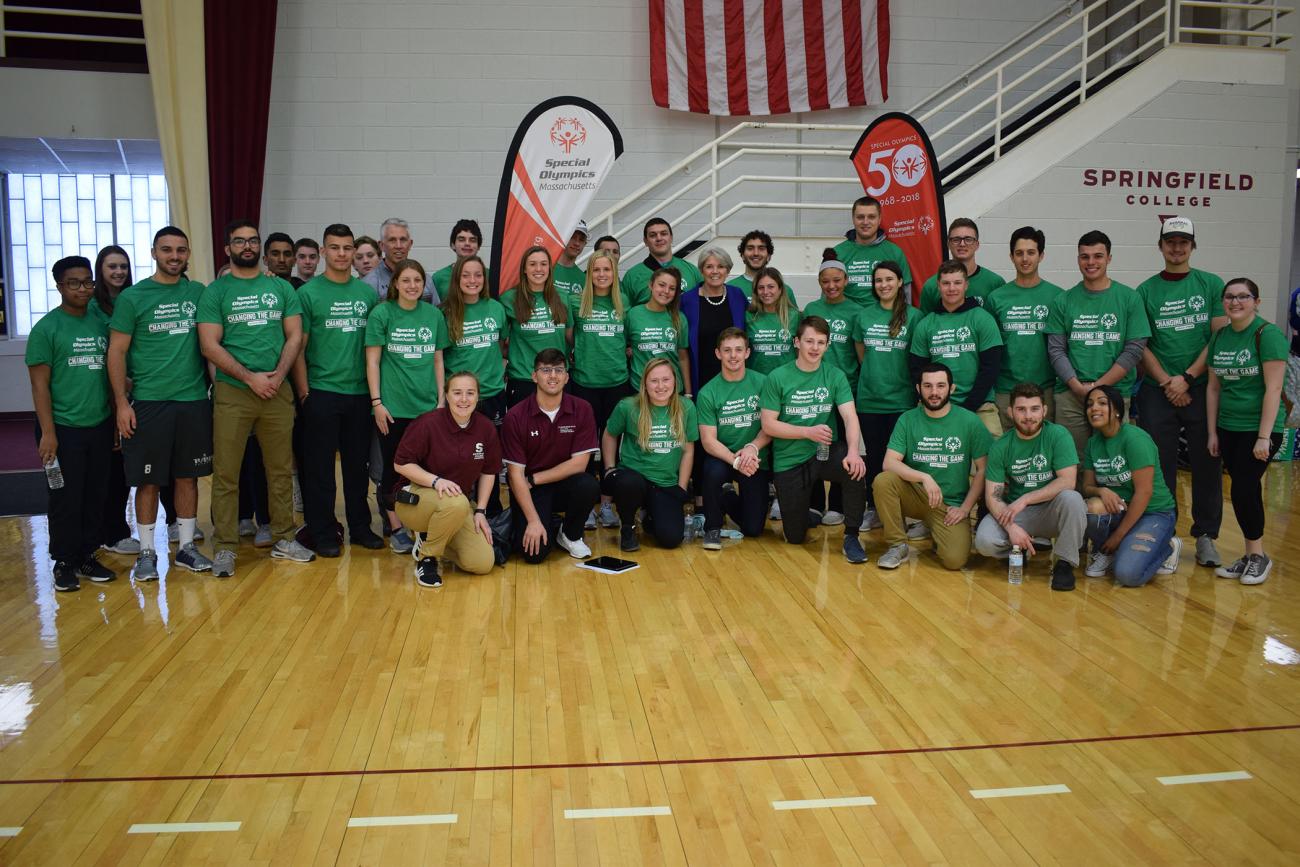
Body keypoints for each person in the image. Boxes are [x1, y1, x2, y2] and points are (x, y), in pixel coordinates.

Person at [198, 220, 316, 577]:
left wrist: (278, 377)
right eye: (239, 241)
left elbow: (295, 337)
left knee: (279, 470)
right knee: (227, 473)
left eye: (252, 241)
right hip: (234, 393)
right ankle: (226, 547)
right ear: (227, 249)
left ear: (259, 247)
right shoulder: (216, 292)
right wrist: (250, 378)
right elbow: (209, 344)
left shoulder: (281, 288)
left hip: (276, 392)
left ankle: (283, 536)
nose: (246, 246)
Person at [107, 226, 214, 579]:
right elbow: (117, 352)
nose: (174, 256)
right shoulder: (133, 298)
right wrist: (122, 404)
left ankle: (185, 547)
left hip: (194, 401)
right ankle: (148, 552)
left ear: (188, 254)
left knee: (188, 477)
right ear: (154, 253)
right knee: (148, 481)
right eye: (167, 250)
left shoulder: (199, 293)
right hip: (150, 404)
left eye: (181, 250)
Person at [1135, 217, 1226, 568]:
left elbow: (1218, 337)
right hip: (1160, 390)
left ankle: (1206, 536)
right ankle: (1165, 533)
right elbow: (1141, 344)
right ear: (1160, 246)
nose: (1177, 247)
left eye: (1183, 242)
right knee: (1160, 465)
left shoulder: (1210, 284)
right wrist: (1167, 382)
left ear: (1193, 246)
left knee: (1207, 462)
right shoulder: (1145, 290)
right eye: (1170, 241)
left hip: (1202, 388)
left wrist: (1187, 377)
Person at [292, 223, 383, 557]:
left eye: (348, 248)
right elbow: (298, 348)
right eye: (335, 248)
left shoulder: (366, 294)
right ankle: (323, 532)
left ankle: (360, 528)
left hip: (359, 394)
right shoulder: (308, 294)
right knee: (319, 471)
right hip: (321, 392)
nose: (342, 254)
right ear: (324, 251)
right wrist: (304, 395)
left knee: (357, 467)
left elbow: (374, 348)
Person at [26, 255, 116, 591]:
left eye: (87, 282)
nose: (82, 288)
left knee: (96, 495)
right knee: (65, 497)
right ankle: (63, 561)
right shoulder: (47, 329)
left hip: (99, 424)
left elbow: (110, 373)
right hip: (62, 429)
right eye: (74, 283)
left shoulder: (99, 323)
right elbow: (39, 386)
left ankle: (87, 556)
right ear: (60, 286)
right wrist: (48, 433)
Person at [759, 315, 868, 563]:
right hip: (790, 459)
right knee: (795, 536)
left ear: (828, 345)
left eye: (821, 342)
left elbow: (850, 417)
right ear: (797, 342)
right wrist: (806, 432)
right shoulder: (778, 377)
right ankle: (801, 513)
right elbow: (768, 424)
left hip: (824, 452)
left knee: (855, 467)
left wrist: (853, 450)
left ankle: (851, 535)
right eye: (809, 341)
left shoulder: (835, 375)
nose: (814, 348)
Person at [1206, 277, 1287, 585]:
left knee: (1243, 487)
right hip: (1228, 427)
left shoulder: (1267, 335)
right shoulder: (1220, 336)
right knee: (1243, 489)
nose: (1235, 302)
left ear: (1256, 301)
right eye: (1229, 297)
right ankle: (1249, 555)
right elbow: (1213, 388)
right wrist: (1212, 432)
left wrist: (1264, 436)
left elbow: (1274, 388)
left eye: (1243, 296)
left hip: (1260, 429)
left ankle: (1258, 556)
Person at [1046, 230, 1150, 465]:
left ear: (1109, 258)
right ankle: (1075, 503)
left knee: (1112, 461)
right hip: (1071, 395)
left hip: (1114, 394)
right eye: (1085, 256)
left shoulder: (1129, 298)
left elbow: (1134, 349)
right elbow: (1056, 350)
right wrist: (1077, 385)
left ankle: (1108, 503)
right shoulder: (1063, 300)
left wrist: (1098, 387)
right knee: (1072, 462)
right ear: (1078, 259)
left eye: (1098, 256)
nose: (1091, 262)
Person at [366, 258, 448, 554]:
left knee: (424, 469)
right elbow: (373, 360)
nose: (413, 286)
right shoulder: (382, 314)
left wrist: (441, 399)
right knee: (392, 469)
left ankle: (421, 525)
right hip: (393, 408)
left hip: (427, 408)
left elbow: (438, 360)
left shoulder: (433, 316)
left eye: (418, 280)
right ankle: (396, 527)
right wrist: (377, 402)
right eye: (407, 280)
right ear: (395, 285)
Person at [874, 363, 990, 570]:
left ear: (951, 389)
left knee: (955, 561)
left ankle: (937, 530)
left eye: (940, 386)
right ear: (919, 389)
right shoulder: (907, 419)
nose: (934, 392)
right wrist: (924, 478)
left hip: (949, 504)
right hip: (917, 494)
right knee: (884, 481)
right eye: (927, 386)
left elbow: (983, 469)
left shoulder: (970, 422)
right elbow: (889, 462)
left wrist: (965, 509)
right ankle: (897, 545)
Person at [974, 382, 1086, 591]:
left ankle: (1064, 564)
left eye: (1034, 409)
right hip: (1018, 514)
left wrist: (1025, 498)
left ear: (1044, 410)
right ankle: (1017, 550)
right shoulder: (1001, 446)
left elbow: (1067, 481)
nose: (1028, 416)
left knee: (1073, 499)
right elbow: (993, 496)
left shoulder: (1058, 435)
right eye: (1021, 409)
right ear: (1010, 412)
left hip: (1051, 509)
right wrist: (1011, 528)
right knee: (984, 541)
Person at [393, 371, 500, 587]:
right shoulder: (428, 423)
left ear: (478, 397)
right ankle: (427, 558)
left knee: (482, 563)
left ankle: (432, 537)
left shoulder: (485, 427)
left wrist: (480, 510)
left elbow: (489, 470)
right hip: (414, 499)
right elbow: (401, 463)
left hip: (454, 507)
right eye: (457, 393)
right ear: (447, 395)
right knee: (458, 502)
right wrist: (435, 481)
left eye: (470, 393)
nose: (463, 399)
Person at [502, 349, 601, 562]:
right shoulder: (515, 416)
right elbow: (515, 476)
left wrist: (536, 478)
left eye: (558, 370)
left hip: (556, 483)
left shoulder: (582, 408)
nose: (553, 376)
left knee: (588, 485)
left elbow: (579, 465)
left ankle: (570, 534)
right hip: (530, 490)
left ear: (566, 377)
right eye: (546, 370)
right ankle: (545, 522)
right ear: (534, 376)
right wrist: (533, 521)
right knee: (533, 555)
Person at [1081, 384, 1180, 586]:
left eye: (1102, 403)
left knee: (1127, 575)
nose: (1094, 408)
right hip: (1121, 510)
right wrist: (1102, 490)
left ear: (1117, 411)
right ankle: (1106, 551)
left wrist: (1118, 536)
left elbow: (1144, 493)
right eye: (1090, 404)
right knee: (1091, 507)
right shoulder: (1093, 443)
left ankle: (1167, 547)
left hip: (1154, 513)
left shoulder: (1135, 439)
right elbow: (1087, 487)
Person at [602, 357, 698, 551]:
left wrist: (681, 487)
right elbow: (609, 434)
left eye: (666, 379)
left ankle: (649, 515)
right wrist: (609, 468)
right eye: (654, 381)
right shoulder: (628, 407)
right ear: (645, 383)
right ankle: (627, 527)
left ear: (675, 381)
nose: (660, 386)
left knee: (671, 539)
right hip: (634, 478)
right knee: (630, 483)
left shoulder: (686, 407)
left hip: (665, 482)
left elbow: (688, 450)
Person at [853, 260, 922, 531]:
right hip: (870, 400)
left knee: (900, 460)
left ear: (899, 283)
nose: (884, 285)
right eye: (879, 280)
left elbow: (916, 358)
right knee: (874, 457)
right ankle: (876, 509)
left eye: (889, 279)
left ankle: (902, 512)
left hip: (901, 401)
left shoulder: (914, 317)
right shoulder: (863, 316)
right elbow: (862, 355)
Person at [566, 249, 630, 529]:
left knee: (611, 449)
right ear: (589, 274)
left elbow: (629, 341)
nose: (602, 275)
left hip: (616, 383)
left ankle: (606, 504)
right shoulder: (576, 302)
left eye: (607, 270)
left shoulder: (623, 303)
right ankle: (586, 505)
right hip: (584, 383)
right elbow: (569, 338)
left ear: (615, 274)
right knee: (585, 448)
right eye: (596, 270)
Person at [909, 259, 1004, 436]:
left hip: (980, 405)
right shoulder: (926, 324)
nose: (952, 288)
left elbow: (990, 368)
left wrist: (968, 408)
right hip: (934, 404)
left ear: (966, 285)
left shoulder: (982, 319)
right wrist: (937, 403)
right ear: (938, 285)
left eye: (957, 283)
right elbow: (917, 371)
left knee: (994, 457)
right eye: (946, 283)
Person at [803, 251, 865, 525]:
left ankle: (838, 505)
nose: (831, 286)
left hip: (845, 390)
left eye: (837, 280)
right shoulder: (811, 310)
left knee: (841, 447)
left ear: (846, 280)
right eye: (826, 281)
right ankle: (815, 503)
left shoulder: (856, 311)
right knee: (814, 445)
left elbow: (860, 354)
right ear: (819, 281)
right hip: (815, 392)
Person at [696, 328, 772, 549]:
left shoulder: (764, 383)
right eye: (727, 350)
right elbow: (708, 441)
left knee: (753, 529)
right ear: (718, 353)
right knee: (712, 472)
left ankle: (728, 497)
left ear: (747, 353)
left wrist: (751, 449)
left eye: (739, 350)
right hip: (723, 455)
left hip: (754, 458)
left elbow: (770, 426)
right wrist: (735, 460)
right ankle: (712, 527)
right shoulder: (708, 392)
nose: (733, 356)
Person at [987, 226, 1062, 427]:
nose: (1025, 259)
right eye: (1019, 253)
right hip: (1006, 391)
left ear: (1041, 255)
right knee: (1008, 453)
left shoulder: (1057, 297)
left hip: (1045, 389)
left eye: (1031, 252)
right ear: (1011, 257)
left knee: (1043, 453)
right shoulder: (996, 298)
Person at [91, 245, 137, 555]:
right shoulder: (91, 306)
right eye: (112, 266)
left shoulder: (134, 299)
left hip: (136, 394)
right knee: (106, 468)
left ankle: (116, 528)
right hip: (104, 396)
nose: (118, 272)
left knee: (125, 467)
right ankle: (109, 531)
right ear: (100, 270)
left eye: (123, 266)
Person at [441, 254, 508, 428]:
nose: (472, 280)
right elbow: (438, 358)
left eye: (478, 275)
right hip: (460, 398)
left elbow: (499, 347)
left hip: (493, 393)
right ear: (457, 279)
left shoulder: (496, 307)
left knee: (493, 449)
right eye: (466, 275)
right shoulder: (445, 313)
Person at [501, 245, 568, 406]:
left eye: (544, 264)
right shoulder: (509, 299)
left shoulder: (563, 297)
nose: (538, 269)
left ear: (550, 268)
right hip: (523, 379)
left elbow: (570, 337)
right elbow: (499, 343)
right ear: (524, 269)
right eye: (532, 264)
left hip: (557, 379)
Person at [680, 244, 748, 391]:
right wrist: (689, 391)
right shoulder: (687, 301)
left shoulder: (737, 296)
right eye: (709, 266)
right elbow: (682, 349)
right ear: (701, 270)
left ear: (728, 270)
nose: (715, 271)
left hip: (736, 380)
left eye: (721, 266)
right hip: (701, 379)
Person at [832, 196, 913, 307]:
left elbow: (906, 295)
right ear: (853, 219)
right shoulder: (837, 253)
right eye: (860, 217)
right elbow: (827, 293)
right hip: (847, 318)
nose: (866, 222)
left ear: (879, 219)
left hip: (884, 319)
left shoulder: (895, 252)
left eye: (871, 217)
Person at [917, 218, 1005, 314]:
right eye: (956, 240)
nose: (962, 244)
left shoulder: (995, 283)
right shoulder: (931, 286)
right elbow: (926, 324)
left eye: (968, 239)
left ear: (977, 245)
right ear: (948, 244)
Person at [626, 267, 691, 392]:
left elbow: (683, 358)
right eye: (662, 285)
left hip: (672, 390)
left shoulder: (679, 318)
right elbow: (623, 344)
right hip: (640, 389)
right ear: (651, 285)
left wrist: (688, 392)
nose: (666, 291)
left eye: (672, 288)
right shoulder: (633, 314)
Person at [621, 218, 703, 306]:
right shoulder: (632, 276)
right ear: (645, 241)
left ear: (671, 238)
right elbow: (624, 313)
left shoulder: (691, 270)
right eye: (653, 235)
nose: (659, 238)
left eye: (664, 234)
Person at [745, 267, 798, 374]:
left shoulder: (794, 316)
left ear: (780, 289)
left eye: (771, 287)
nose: (765, 292)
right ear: (756, 291)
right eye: (761, 287)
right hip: (757, 380)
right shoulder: (748, 317)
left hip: (787, 379)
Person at [730, 230, 798, 305]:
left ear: (769, 256)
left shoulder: (785, 291)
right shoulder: (729, 288)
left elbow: (793, 316)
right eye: (750, 248)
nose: (756, 253)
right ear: (742, 256)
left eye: (761, 248)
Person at [430, 219, 488, 301]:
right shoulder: (438, 277)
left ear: (478, 246)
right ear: (453, 244)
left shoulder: (489, 275)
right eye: (461, 239)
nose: (467, 243)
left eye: (472, 240)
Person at [552, 220, 589, 297]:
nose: (577, 243)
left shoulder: (584, 279)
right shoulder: (545, 269)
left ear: (585, 244)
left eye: (581, 240)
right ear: (563, 237)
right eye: (572, 237)